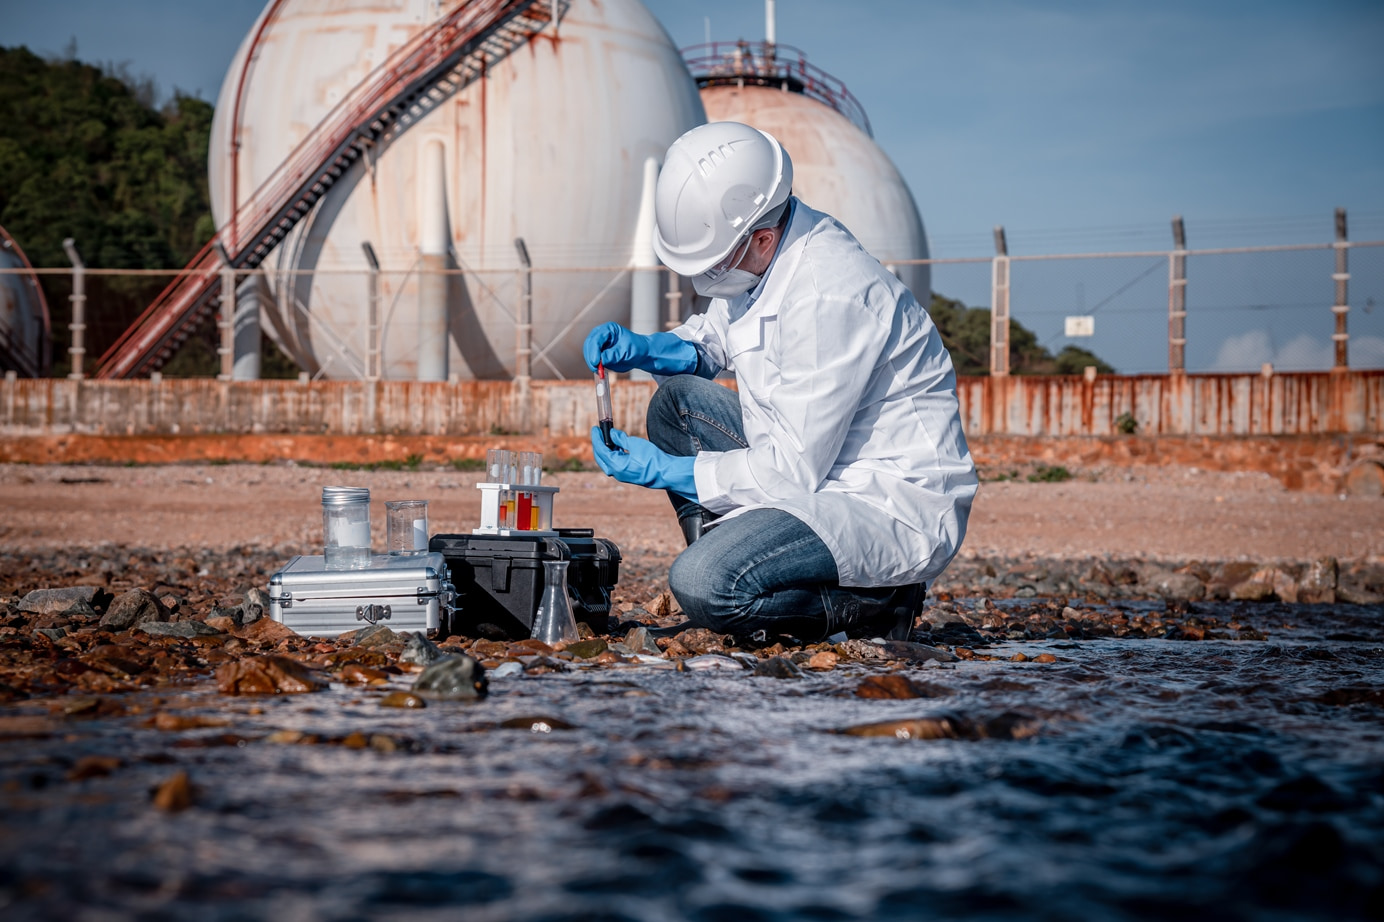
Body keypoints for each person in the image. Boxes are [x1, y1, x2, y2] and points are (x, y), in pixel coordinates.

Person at [583, 121, 976, 643]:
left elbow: (791, 470)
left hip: (885, 502)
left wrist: (668, 471)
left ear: (761, 238)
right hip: (817, 464)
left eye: (713, 264)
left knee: (700, 582)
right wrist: (650, 349)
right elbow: (718, 335)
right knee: (676, 403)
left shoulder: (828, 296)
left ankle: (874, 604)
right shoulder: (767, 251)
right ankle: (745, 570)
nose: (706, 280)